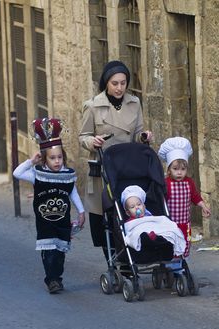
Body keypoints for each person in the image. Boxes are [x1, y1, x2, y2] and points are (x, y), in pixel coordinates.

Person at [79, 60, 152, 263]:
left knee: (128, 210)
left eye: (123, 82)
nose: (119, 87)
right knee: (107, 215)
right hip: (103, 167)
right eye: (114, 83)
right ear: (106, 83)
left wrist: (144, 137)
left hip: (127, 166)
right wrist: (92, 141)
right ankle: (113, 259)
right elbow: (82, 136)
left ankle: (131, 257)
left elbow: (137, 133)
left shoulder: (134, 103)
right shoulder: (92, 106)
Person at [13, 117, 85, 294]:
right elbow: (17, 173)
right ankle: (51, 280)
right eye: (52, 158)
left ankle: (57, 278)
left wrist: (81, 211)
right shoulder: (37, 174)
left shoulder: (67, 174)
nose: (57, 161)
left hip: (62, 221)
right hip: (45, 222)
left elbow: (73, 192)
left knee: (60, 252)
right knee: (49, 252)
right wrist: (31, 161)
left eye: (60, 157)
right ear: (45, 158)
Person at [158, 136, 211, 257]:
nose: (179, 172)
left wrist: (203, 206)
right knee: (171, 245)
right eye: (175, 169)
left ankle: (181, 265)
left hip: (185, 223)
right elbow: (161, 201)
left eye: (183, 169)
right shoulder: (166, 183)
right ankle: (171, 266)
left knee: (184, 244)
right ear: (169, 169)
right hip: (170, 224)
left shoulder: (189, 182)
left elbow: (195, 197)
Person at [121, 185, 186, 256]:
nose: (137, 207)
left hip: (154, 232)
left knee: (167, 229)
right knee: (138, 234)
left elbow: (156, 223)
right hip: (142, 234)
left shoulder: (149, 216)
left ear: (144, 206)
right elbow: (130, 232)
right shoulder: (130, 222)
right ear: (128, 212)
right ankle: (148, 237)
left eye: (139, 204)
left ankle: (160, 238)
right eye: (132, 207)